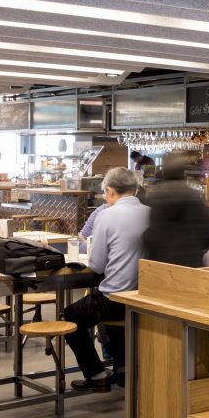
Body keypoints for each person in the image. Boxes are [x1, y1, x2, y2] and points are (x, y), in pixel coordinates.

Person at [63, 168, 149, 392]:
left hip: (115, 299)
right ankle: (123, 370)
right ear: (136, 190)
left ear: (110, 191)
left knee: (71, 315)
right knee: (114, 316)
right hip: (144, 298)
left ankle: (96, 374)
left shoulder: (106, 215)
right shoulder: (151, 213)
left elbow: (97, 264)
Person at [143, 152, 209, 268]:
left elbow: (152, 237)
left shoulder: (155, 197)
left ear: (164, 173)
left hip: (160, 264)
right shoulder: (194, 196)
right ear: (183, 172)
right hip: (190, 265)